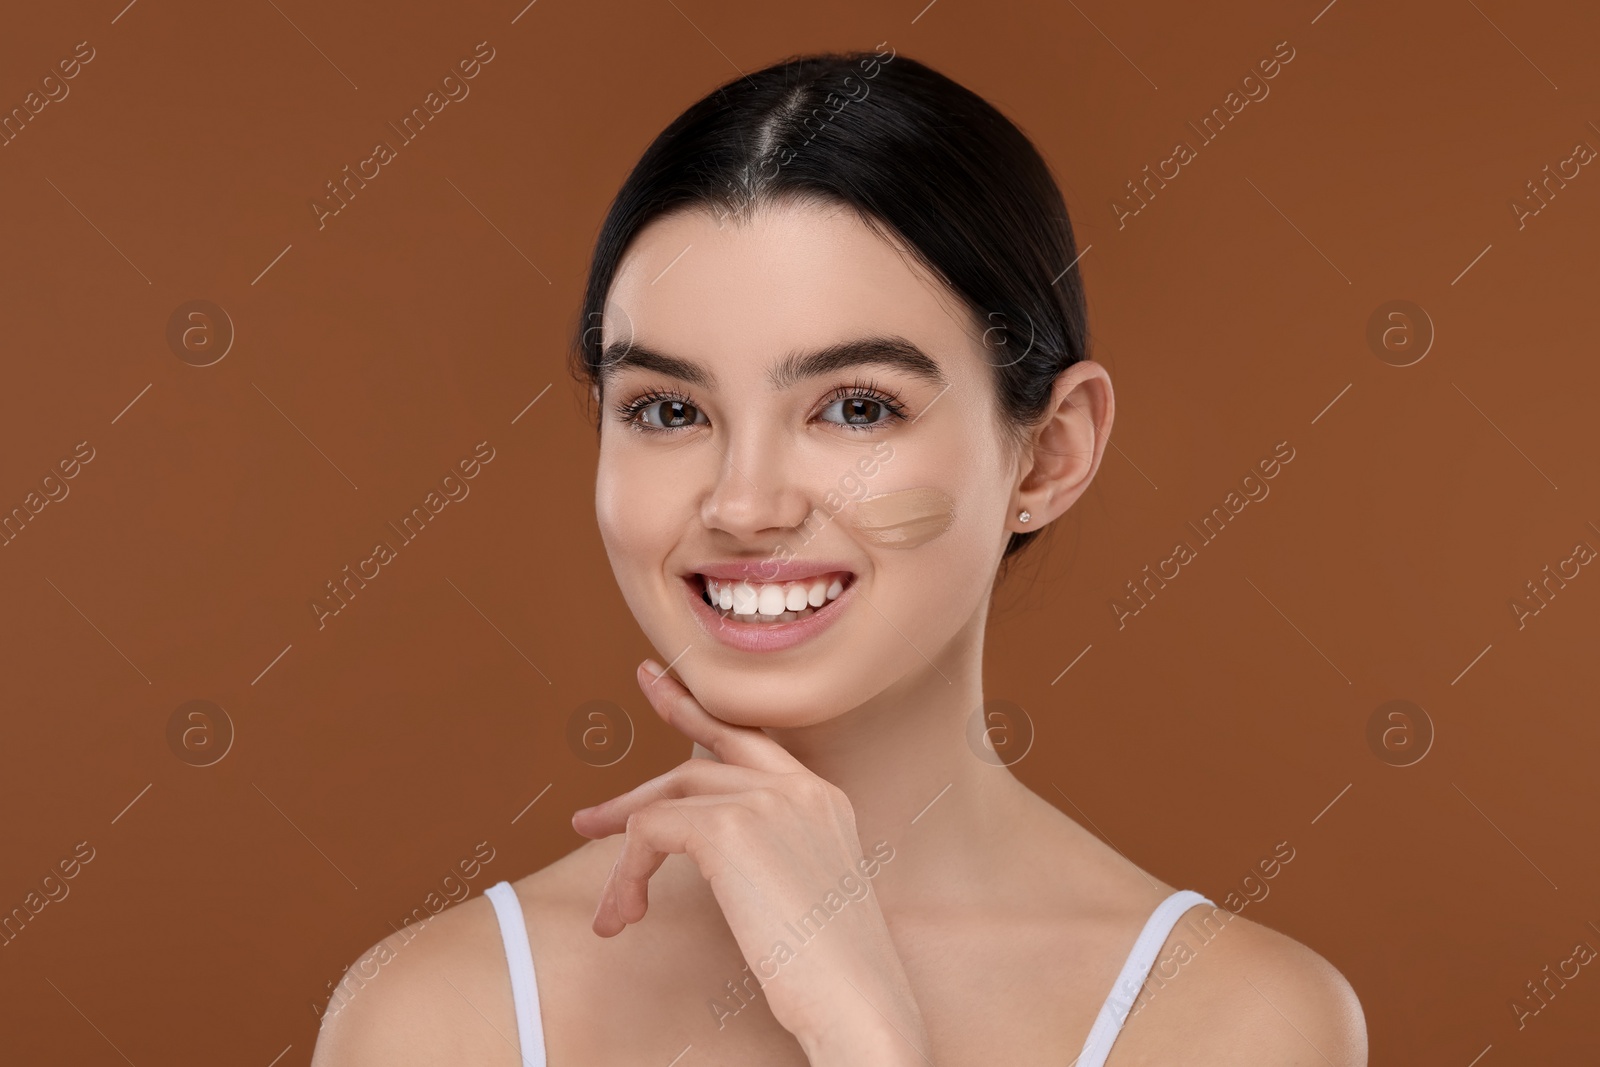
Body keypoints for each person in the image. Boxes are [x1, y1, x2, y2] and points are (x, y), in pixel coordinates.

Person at [310, 46, 1367, 1066]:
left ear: (1050, 450)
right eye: (668, 407)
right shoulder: (439, 1010)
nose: (743, 503)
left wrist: (862, 1035)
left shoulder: (1230, 1021)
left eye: (856, 407)